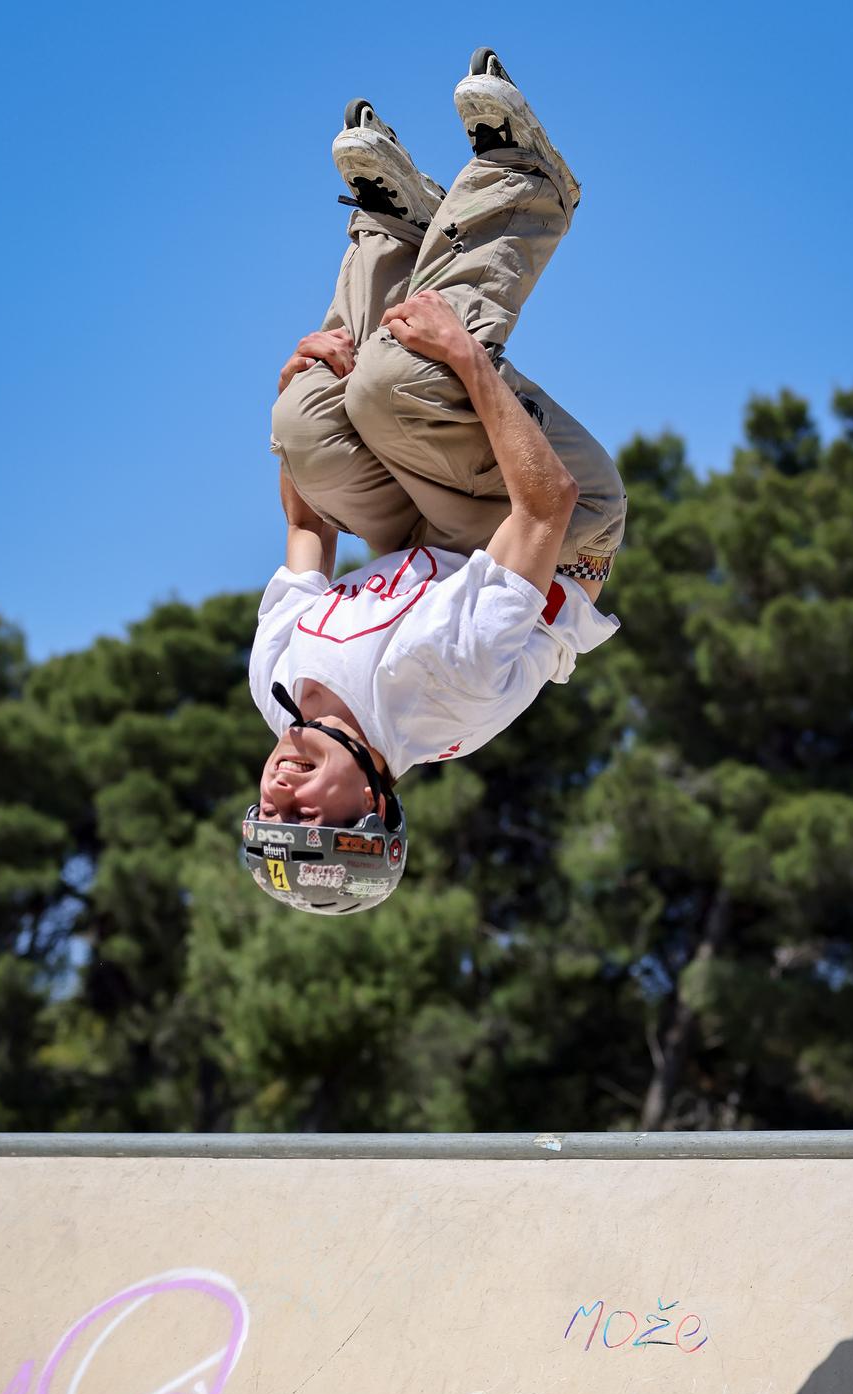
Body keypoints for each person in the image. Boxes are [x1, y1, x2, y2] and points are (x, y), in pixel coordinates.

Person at [242, 48, 626, 915]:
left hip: (426, 537)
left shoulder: (275, 687)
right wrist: (468, 361)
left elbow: (308, 531)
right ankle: (521, 179)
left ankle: (396, 227)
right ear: (372, 805)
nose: (280, 799)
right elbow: (548, 503)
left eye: (268, 817)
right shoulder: (445, 686)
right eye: (309, 821)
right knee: (401, 384)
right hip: (553, 525)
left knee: (313, 417)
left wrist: (291, 392)